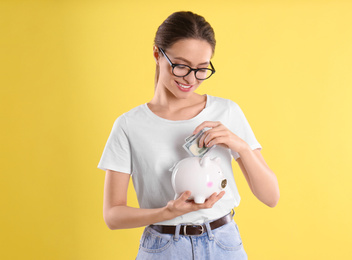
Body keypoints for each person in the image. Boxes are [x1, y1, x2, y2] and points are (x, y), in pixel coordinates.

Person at [97, 11, 280, 259]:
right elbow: (113, 216)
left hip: (223, 245)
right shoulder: (129, 125)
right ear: (156, 54)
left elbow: (271, 197)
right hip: (163, 248)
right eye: (181, 66)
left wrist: (241, 146)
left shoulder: (226, 112)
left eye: (202, 69)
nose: (191, 79)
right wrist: (167, 212)